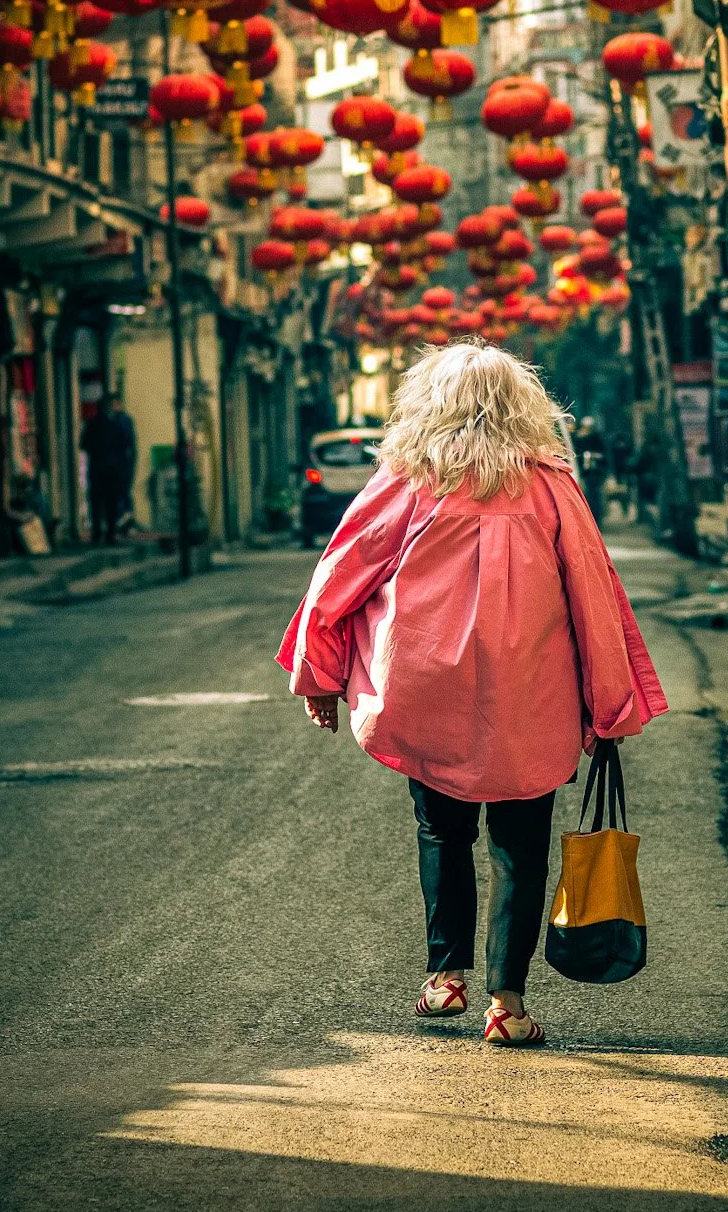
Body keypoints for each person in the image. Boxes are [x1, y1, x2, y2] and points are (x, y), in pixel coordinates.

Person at [277, 344, 667, 1047]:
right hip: (533, 703)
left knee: (443, 830)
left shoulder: (407, 480)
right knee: (521, 847)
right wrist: (610, 702)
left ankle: (446, 972)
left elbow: (340, 575)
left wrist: (322, 675)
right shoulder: (550, 485)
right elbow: (594, 597)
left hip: (429, 696)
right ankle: (507, 1004)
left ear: (429, 404)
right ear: (523, 405)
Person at [80, 394, 136, 546]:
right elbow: (126, 445)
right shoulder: (117, 424)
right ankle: (110, 533)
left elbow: (84, 444)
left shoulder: (92, 424)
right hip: (113, 470)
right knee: (111, 502)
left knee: (96, 502)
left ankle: (97, 532)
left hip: (97, 469)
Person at [573, 415, 609, 520]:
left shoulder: (596, 438)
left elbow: (603, 455)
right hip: (582, 471)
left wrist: (593, 456)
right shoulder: (578, 438)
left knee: (594, 495)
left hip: (594, 472)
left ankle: (595, 517)